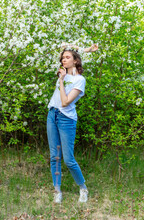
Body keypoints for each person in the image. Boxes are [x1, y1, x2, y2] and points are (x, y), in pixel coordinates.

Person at [47, 43, 98, 203]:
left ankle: (83, 188)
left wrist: (61, 81)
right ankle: (57, 191)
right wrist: (86, 49)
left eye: (68, 57)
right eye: (62, 57)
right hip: (52, 115)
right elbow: (65, 44)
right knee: (54, 156)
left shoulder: (79, 80)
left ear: (76, 61)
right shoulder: (65, 74)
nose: (63, 59)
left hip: (66, 119)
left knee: (68, 159)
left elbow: (65, 102)